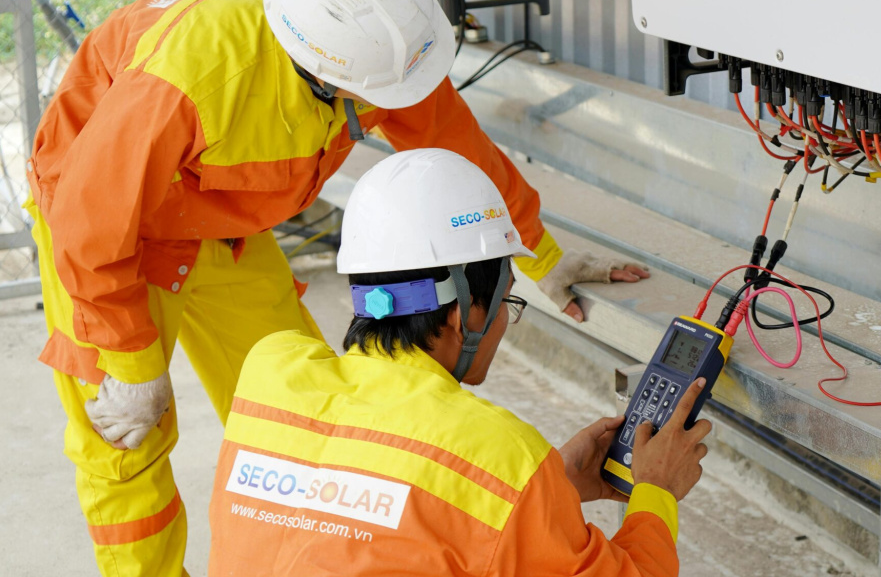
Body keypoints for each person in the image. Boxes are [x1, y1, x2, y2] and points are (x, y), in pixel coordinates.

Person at [24, 0, 646, 574]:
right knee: (126, 441)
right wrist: (130, 361)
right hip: (107, 236)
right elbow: (91, 219)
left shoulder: (371, 43)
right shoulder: (192, 76)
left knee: (310, 413)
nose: (389, 104)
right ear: (319, 70)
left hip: (217, 222)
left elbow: (456, 146)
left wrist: (539, 252)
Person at [207, 149, 709, 576]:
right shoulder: (500, 456)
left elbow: (382, 511)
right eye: (508, 303)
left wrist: (545, 488)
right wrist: (655, 490)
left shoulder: (269, 375)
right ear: (466, 312)